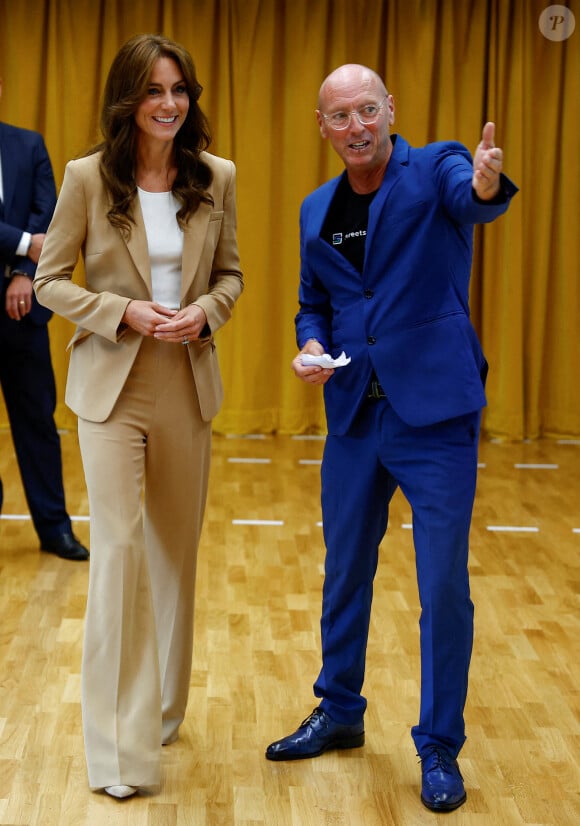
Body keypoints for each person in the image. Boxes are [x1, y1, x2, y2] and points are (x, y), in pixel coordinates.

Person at [265, 64, 518, 812]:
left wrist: (482, 184)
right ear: (323, 127)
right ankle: (339, 710)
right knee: (344, 571)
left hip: (433, 415)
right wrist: (311, 345)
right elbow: (316, 301)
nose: (356, 127)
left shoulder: (436, 165)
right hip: (352, 414)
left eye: (367, 110)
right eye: (339, 116)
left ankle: (438, 744)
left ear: (389, 110)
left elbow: (471, 202)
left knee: (441, 585)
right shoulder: (316, 209)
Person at [34, 34, 243, 799]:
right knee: (119, 556)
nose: (169, 104)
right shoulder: (87, 178)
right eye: (154, 90)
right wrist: (123, 310)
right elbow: (51, 280)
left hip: (187, 387)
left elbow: (231, 274)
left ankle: (158, 709)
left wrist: (205, 315)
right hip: (111, 390)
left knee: (173, 557)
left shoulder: (215, 177)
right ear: (130, 99)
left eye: (179, 89)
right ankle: (118, 753)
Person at [0, 77, 89, 560]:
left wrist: (22, 272)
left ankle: (55, 529)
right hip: (19, 280)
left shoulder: (27, 143)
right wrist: (20, 244)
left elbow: (50, 216)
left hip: (22, 309)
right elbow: (28, 234)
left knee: (37, 422)